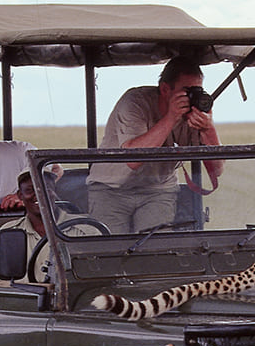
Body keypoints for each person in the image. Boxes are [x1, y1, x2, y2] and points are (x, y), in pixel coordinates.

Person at [86, 56, 224, 234]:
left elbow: (218, 169)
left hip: (158, 190)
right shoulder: (134, 102)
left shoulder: (192, 112)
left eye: (198, 90)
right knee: (111, 252)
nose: (192, 97)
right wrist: (171, 118)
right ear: (165, 89)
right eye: (187, 91)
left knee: (156, 250)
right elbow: (133, 160)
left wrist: (208, 128)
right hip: (112, 189)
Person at [0, 169, 97, 281]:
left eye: (45, 188)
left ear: (55, 190)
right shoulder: (9, 233)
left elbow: (98, 277)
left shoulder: (86, 230)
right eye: (30, 190)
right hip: (24, 297)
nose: (39, 194)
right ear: (20, 195)